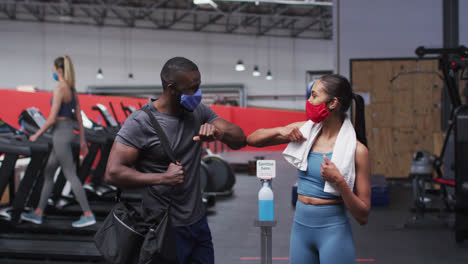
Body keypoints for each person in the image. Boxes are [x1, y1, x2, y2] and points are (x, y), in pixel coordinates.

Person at [105, 57, 246, 264]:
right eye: (192, 88)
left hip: (197, 223)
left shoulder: (199, 112)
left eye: (199, 86)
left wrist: (218, 132)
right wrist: (162, 178)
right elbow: (112, 172)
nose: (198, 93)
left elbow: (240, 139)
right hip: (163, 228)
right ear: (172, 89)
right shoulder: (141, 122)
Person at [247, 74, 370, 264]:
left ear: (332, 103)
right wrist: (281, 131)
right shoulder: (303, 132)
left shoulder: (357, 150)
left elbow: (363, 215)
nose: (309, 101)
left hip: (333, 232)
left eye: (314, 95)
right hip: (300, 230)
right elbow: (253, 139)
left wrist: (339, 181)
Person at [21, 56, 95, 228]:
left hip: (60, 134)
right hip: (68, 132)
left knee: (70, 174)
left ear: (59, 70)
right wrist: (83, 141)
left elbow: (52, 118)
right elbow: (79, 118)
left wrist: (36, 135)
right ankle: (38, 213)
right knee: (49, 172)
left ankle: (88, 213)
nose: (52, 72)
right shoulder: (72, 90)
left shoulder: (59, 89)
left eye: (53, 69)